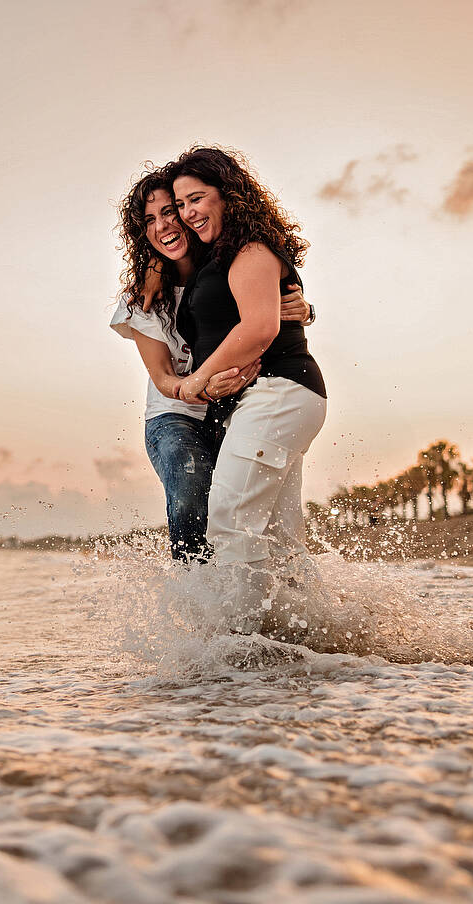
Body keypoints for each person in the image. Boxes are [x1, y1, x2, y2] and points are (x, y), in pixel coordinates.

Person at [110, 166, 313, 563]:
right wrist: (197, 386)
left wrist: (306, 309)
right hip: (176, 415)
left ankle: (292, 613)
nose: (165, 224)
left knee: (273, 524)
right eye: (149, 220)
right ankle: (201, 606)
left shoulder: (227, 263)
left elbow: (265, 311)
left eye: (172, 210)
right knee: (191, 496)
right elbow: (163, 378)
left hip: (238, 408)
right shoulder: (143, 298)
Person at [168, 146, 328, 631]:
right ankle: (319, 634)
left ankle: (239, 649)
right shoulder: (218, 258)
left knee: (231, 516)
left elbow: (260, 328)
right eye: (181, 205)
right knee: (279, 538)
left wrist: (197, 382)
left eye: (197, 198)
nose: (189, 213)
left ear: (228, 195)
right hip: (270, 399)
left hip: (279, 392)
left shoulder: (251, 249)